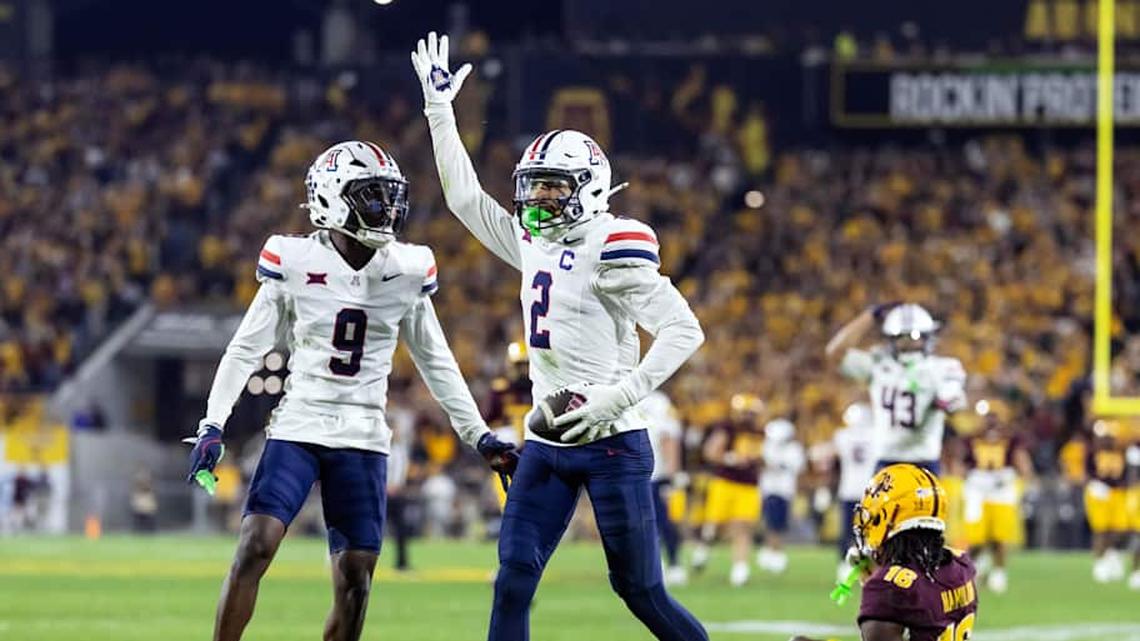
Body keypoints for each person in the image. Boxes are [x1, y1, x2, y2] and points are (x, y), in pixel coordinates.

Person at [413, 32, 708, 641]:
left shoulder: (612, 243)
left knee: (640, 591)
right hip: (547, 441)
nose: (539, 197)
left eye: (554, 185)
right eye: (536, 183)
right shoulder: (534, 240)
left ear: (592, 187)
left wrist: (618, 398)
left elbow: (684, 329)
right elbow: (465, 198)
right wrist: (441, 113)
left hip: (611, 440)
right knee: (513, 577)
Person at [184, 140, 518, 641]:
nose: (388, 209)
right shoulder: (294, 260)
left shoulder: (406, 269)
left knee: (357, 576)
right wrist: (213, 423)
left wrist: (479, 435)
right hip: (300, 422)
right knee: (257, 542)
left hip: (363, 433)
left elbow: (436, 360)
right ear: (331, 198)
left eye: (389, 196)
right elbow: (244, 349)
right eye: (372, 196)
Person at [792, 464, 978, 641]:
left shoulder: (887, 588)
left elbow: (900, 601)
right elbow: (924, 608)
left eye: (871, 516)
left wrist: (877, 584)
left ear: (889, 519)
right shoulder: (961, 565)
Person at [825, 303, 967, 473]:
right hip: (886, 461)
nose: (908, 343)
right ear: (890, 339)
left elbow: (953, 395)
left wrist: (949, 400)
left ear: (928, 337)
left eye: (915, 337)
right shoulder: (878, 364)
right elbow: (834, 353)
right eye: (902, 338)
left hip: (924, 461)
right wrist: (869, 316)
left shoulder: (941, 367)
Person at [960, 401, 1033, 593]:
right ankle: (975, 568)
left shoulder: (1011, 438)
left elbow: (1021, 460)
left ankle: (999, 572)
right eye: (987, 416)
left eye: (994, 416)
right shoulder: (971, 438)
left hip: (1002, 488)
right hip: (978, 487)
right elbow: (962, 463)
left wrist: (1023, 476)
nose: (991, 420)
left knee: (1000, 535)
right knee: (976, 536)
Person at [693, 393, 764, 586]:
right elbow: (710, 452)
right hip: (725, 482)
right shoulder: (727, 428)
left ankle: (739, 568)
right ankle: (703, 549)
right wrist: (729, 458)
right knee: (714, 526)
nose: (748, 417)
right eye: (746, 413)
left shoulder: (760, 432)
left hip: (749, 485)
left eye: (752, 413)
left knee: (743, 526)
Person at [639, 389, 687, 586]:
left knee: (662, 521)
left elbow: (669, 439)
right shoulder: (635, 397)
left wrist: (671, 474)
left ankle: (672, 563)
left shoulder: (658, 401)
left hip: (655, 473)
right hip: (638, 472)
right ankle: (653, 564)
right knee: (645, 523)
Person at [832, 402, 877, 582]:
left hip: (848, 489)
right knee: (868, 534)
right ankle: (866, 568)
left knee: (847, 531)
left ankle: (844, 566)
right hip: (870, 491)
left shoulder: (842, 436)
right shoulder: (876, 435)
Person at [1083, 420, 1129, 583]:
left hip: (1117, 493)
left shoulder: (1121, 452)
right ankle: (1099, 562)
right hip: (1099, 493)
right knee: (1101, 529)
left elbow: (1126, 474)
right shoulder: (1092, 452)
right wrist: (1096, 484)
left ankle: (1111, 555)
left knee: (1118, 529)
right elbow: (1087, 474)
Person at [757, 417, 804, 574]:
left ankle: (776, 552)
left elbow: (797, 468)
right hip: (769, 489)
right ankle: (771, 550)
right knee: (770, 522)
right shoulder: (767, 446)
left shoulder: (794, 449)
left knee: (779, 524)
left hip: (784, 490)